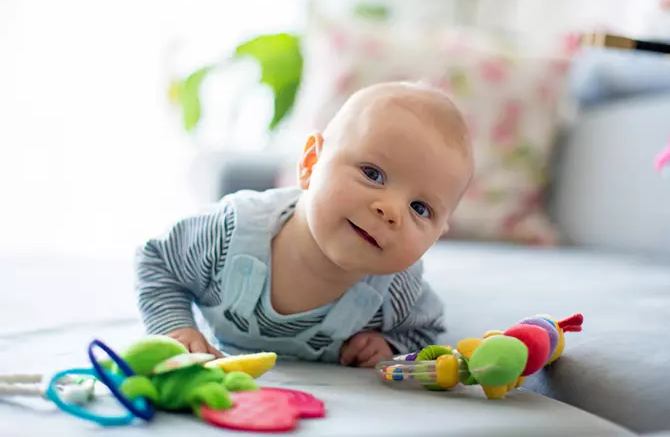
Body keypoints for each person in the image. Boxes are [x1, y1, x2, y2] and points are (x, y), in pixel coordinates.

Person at [135, 81, 475, 368]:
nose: (391, 210)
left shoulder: (397, 290)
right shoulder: (229, 233)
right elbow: (158, 261)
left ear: (438, 234)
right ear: (312, 162)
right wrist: (175, 328)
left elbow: (427, 328)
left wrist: (387, 344)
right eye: (373, 174)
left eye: (420, 208)